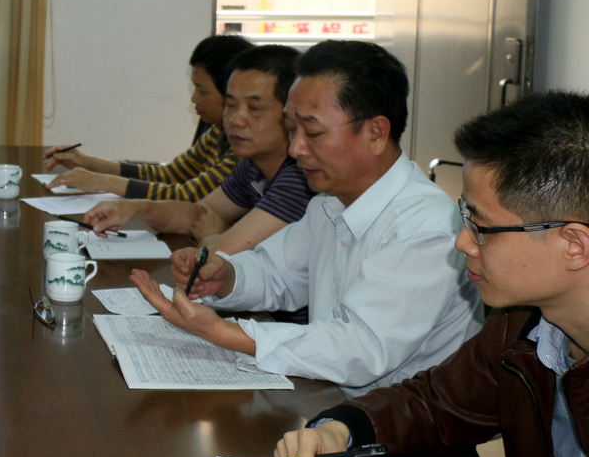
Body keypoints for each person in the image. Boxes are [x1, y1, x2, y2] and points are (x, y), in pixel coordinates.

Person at [261, 92, 589, 457]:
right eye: (464, 218)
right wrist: (340, 429)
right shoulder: (524, 326)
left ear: (573, 245)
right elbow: (436, 402)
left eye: (481, 227)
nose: (462, 242)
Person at [132, 40, 482, 395]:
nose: (296, 148)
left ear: (375, 133)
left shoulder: (426, 228)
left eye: (313, 132)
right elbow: (276, 274)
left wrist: (223, 332)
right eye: (291, 129)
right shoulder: (329, 204)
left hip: (401, 424)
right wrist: (226, 277)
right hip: (333, 403)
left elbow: (359, 349)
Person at [84, 44, 312, 255]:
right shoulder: (251, 166)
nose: (236, 119)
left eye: (254, 108)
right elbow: (198, 213)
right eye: (231, 105)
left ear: (291, 113)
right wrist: (134, 209)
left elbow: (221, 251)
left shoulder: (300, 177)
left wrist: (215, 236)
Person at [44, 33, 253, 199]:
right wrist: (89, 163)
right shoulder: (218, 130)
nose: (194, 98)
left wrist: (104, 182)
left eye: (202, 90)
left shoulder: (247, 146)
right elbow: (171, 174)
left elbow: (190, 195)